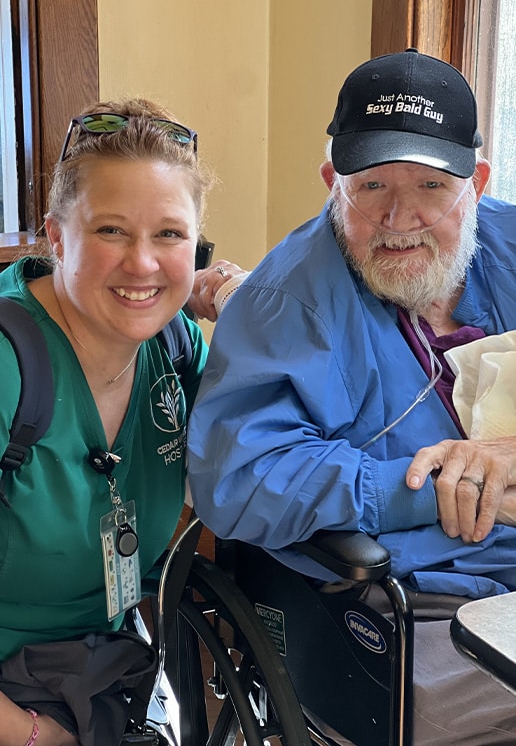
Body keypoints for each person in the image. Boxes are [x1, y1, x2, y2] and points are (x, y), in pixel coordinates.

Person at [187, 49, 516, 745]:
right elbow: (239, 476)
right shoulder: (288, 301)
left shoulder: (509, 249)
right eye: (370, 187)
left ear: (476, 184)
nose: (400, 218)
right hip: (427, 616)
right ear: (332, 181)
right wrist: (431, 484)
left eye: (432, 184)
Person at [0, 100, 244, 746]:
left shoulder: (176, 348)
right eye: (110, 230)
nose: (143, 263)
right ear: (55, 237)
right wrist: (35, 735)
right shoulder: (7, 368)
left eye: (169, 234)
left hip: (104, 674)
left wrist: (244, 302)